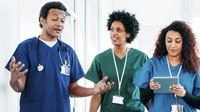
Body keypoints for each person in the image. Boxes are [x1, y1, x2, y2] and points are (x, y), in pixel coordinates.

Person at [5, 1, 114, 112]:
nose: (60, 24)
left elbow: (72, 89)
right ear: (42, 20)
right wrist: (14, 79)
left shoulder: (68, 52)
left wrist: (93, 90)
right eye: (54, 19)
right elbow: (19, 87)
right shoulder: (26, 47)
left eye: (62, 21)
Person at [85, 10, 148, 112]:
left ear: (128, 34)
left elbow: (145, 91)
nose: (113, 33)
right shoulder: (100, 59)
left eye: (119, 30)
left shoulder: (141, 58)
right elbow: (97, 94)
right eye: (112, 30)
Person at [134, 20, 200, 112]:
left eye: (177, 41)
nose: (172, 45)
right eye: (169, 41)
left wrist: (184, 94)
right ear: (164, 42)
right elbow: (141, 99)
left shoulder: (195, 65)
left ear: (184, 43)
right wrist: (150, 88)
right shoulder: (152, 64)